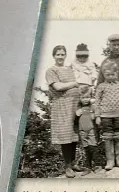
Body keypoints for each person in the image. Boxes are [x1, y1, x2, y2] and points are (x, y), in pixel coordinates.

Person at [45, 45, 81, 178]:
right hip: (61, 105)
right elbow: (58, 86)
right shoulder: (51, 70)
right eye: (58, 54)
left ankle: (73, 163)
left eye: (62, 54)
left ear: (66, 55)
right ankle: (67, 167)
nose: (60, 57)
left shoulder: (70, 69)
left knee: (74, 134)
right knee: (66, 135)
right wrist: (74, 84)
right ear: (54, 56)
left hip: (74, 105)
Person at [95, 60, 119, 170]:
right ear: (104, 74)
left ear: (117, 73)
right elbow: (97, 102)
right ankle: (110, 160)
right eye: (107, 75)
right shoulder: (101, 87)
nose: (110, 77)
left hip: (118, 115)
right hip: (105, 116)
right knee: (108, 137)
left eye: (112, 74)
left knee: (118, 137)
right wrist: (98, 116)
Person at [75, 86, 102, 176]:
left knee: (93, 147)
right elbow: (74, 120)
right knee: (86, 149)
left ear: (91, 97)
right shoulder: (78, 108)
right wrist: (76, 115)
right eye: (83, 97)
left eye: (87, 97)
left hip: (91, 130)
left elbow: (98, 114)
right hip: (82, 131)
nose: (85, 100)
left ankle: (98, 165)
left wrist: (96, 116)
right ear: (80, 98)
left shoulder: (93, 107)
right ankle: (88, 167)